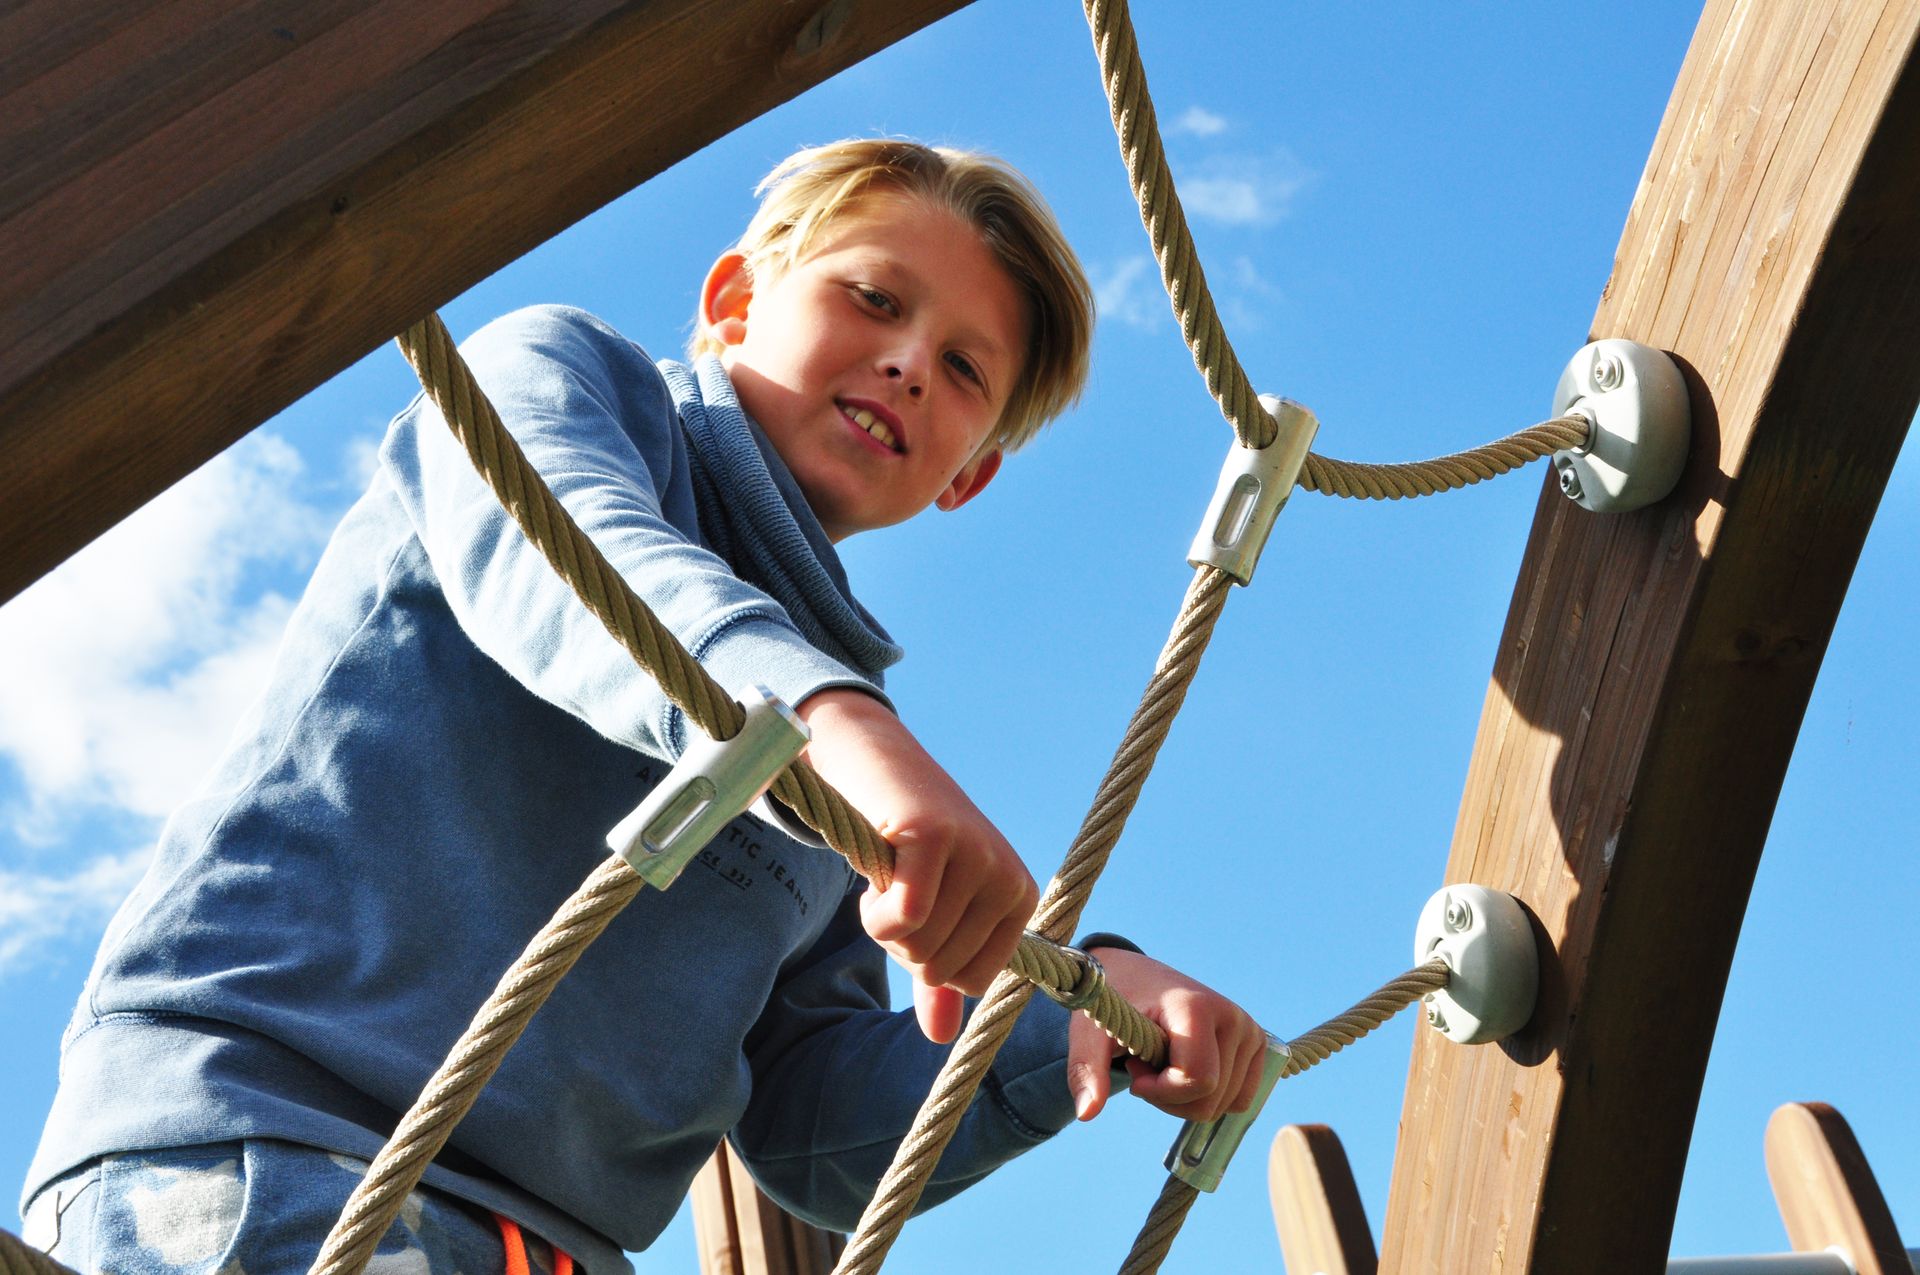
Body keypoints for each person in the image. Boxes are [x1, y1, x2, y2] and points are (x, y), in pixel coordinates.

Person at [20, 139, 1267, 1275]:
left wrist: (1072, 1014)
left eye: (962, 370)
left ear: (969, 475)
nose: (905, 364)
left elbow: (812, 1124)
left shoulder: (844, 776)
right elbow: (579, 555)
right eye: (874, 299)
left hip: (559, 1247)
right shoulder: (566, 383)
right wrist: (838, 727)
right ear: (734, 303)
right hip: (272, 1142)